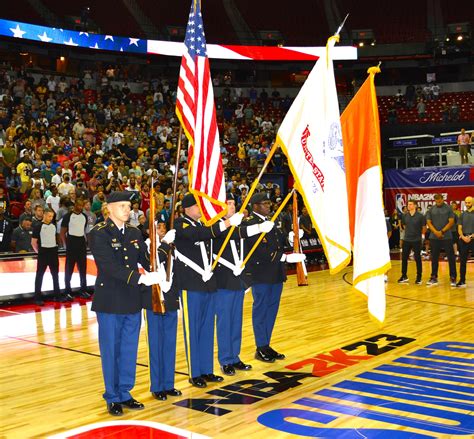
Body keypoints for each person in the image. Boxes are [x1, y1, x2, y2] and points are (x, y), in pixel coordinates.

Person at [90, 191, 162, 416]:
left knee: (129, 349)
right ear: (108, 208)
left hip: (132, 299)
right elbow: (108, 267)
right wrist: (140, 278)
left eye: (129, 206)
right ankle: (112, 396)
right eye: (122, 206)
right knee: (111, 349)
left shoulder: (133, 232)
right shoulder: (98, 234)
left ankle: (125, 392)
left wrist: (158, 252)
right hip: (110, 300)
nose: (127, 210)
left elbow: (144, 259)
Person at [173, 193, 243, 388]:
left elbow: (223, 235)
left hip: (208, 283)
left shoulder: (205, 225)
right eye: (197, 206)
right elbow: (198, 235)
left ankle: (207, 370)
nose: (200, 209)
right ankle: (194, 373)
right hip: (191, 284)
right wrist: (225, 224)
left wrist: (235, 224)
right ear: (187, 208)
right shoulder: (181, 224)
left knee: (206, 329)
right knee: (193, 330)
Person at [213, 197, 274, 376]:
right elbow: (235, 235)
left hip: (238, 280)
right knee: (225, 321)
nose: (232, 206)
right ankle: (225, 360)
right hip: (223, 280)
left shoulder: (236, 225)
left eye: (233, 203)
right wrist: (258, 228)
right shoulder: (216, 227)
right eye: (228, 204)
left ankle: (234, 356)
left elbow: (244, 244)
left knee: (236, 320)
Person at [243, 193, 305, 362]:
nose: (269, 206)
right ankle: (260, 346)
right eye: (265, 203)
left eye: (269, 203)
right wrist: (284, 257)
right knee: (261, 310)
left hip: (276, 273)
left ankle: (266, 344)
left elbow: (278, 241)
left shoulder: (271, 221)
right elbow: (259, 251)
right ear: (255, 206)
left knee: (271, 310)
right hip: (261, 274)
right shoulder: (251, 224)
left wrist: (291, 239)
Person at [142, 221, 181, 401]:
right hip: (154, 300)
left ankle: (169, 383)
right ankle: (157, 385)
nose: (162, 231)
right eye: (158, 228)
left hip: (171, 297)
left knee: (170, 343)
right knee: (156, 343)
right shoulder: (146, 247)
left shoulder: (171, 246)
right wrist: (165, 245)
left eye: (164, 229)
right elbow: (154, 264)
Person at [32, 208, 69, 305]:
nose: (51, 218)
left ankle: (57, 296)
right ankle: (37, 298)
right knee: (40, 276)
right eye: (49, 216)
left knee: (55, 275)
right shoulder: (38, 226)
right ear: (44, 215)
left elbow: (55, 239)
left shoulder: (53, 226)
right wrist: (39, 253)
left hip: (53, 253)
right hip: (43, 253)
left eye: (52, 216)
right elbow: (33, 242)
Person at [60, 198, 90, 299]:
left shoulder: (84, 217)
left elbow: (84, 231)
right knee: (69, 269)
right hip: (71, 242)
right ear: (75, 205)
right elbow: (62, 232)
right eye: (79, 205)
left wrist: (86, 243)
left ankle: (83, 290)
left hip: (81, 242)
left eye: (82, 205)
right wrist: (65, 245)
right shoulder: (68, 216)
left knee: (83, 268)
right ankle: (67, 291)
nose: (81, 207)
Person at [425, 194, 456, 286]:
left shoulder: (449, 208)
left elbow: (451, 222)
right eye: (436, 200)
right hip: (434, 237)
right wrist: (435, 232)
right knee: (434, 257)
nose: (438, 202)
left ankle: (453, 277)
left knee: (451, 257)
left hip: (447, 236)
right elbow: (428, 222)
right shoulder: (431, 209)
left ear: (443, 199)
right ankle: (434, 277)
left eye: (439, 200)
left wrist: (442, 231)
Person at [398, 200, 426, 285]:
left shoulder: (420, 216)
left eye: (410, 204)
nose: (408, 206)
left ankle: (419, 277)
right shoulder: (405, 215)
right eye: (408, 204)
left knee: (417, 258)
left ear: (415, 206)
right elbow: (404, 225)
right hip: (406, 239)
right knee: (404, 258)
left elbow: (424, 227)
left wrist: (421, 236)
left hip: (416, 240)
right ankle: (404, 276)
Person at [456, 196, 473, 288]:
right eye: (466, 202)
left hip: (473, 238)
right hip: (463, 239)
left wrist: (470, 236)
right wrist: (463, 237)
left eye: (469, 202)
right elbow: (459, 228)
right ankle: (462, 280)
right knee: (462, 261)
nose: (467, 204)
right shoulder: (462, 214)